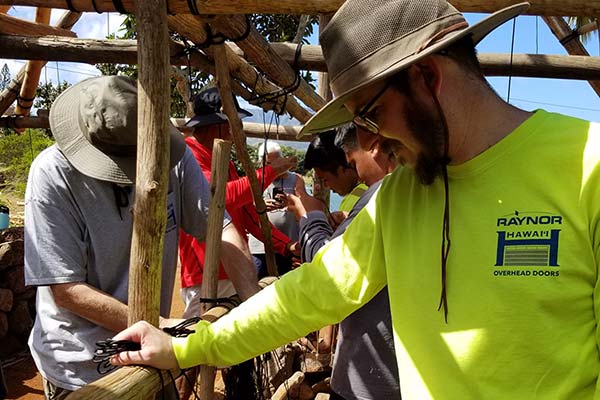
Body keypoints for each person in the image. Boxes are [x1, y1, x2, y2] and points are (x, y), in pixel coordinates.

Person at [112, 1, 600, 398]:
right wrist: (187, 348)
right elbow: (310, 294)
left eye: (371, 113)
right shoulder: (399, 197)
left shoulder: (588, 166)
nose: (372, 141)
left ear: (428, 78)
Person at [23, 76, 255, 397]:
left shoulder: (173, 158)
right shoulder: (53, 174)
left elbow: (220, 228)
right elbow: (66, 289)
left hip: (152, 356)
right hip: (84, 364)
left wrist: (255, 301)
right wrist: (160, 325)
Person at [287, 123, 402, 400]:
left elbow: (330, 274)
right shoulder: (403, 194)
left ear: (373, 146)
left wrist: (310, 218)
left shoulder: (381, 196)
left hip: (369, 378)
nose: (358, 170)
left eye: (352, 160)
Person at [179, 88, 299, 317]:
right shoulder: (189, 156)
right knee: (200, 343)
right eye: (235, 123)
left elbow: (251, 217)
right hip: (204, 274)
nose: (237, 131)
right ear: (221, 124)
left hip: (236, 272)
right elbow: (216, 197)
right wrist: (269, 173)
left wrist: (288, 245)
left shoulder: (227, 164)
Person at [249, 140, 302, 277]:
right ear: (261, 163)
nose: (274, 167)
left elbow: (304, 207)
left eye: (276, 162)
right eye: (269, 164)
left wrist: (289, 203)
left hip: (289, 245)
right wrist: (260, 206)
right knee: (254, 284)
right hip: (259, 247)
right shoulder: (254, 179)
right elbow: (244, 208)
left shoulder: (296, 179)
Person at [304, 131, 367, 212]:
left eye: (325, 180)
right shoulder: (375, 188)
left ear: (342, 170)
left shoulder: (354, 201)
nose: (326, 186)